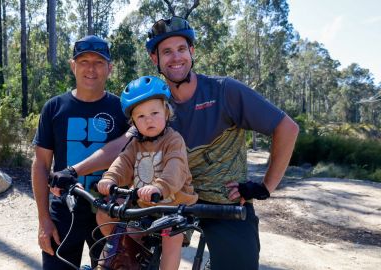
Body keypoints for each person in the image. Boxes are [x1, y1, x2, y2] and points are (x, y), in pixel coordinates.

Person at [67, 16, 299, 269]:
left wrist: (265, 187)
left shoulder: (225, 91)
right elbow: (122, 146)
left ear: (192, 51)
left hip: (223, 202)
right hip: (168, 201)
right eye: (166, 52)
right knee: (116, 236)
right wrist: (73, 171)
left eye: (181, 49)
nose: (175, 58)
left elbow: (286, 128)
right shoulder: (154, 103)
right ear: (155, 59)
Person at [31, 35, 130, 270]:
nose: (91, 69)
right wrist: (44, 220)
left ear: (110, 68)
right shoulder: (54, 107)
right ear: (72, 65)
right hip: (64, 212)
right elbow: (41, 165)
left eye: (98, 62)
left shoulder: (123, 110)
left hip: (108, 211)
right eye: (84, 61)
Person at [96, 76, 198, 270]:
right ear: (133, 121)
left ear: (166, 113)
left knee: (170, 239)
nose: (148, 119)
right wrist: (110, 178)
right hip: (145, 208)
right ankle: (124, 261)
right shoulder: (135, 144)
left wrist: (160, 187)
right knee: (117, 226)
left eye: (154, 112)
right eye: (141, 116)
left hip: (175, 208)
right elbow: (123, 162)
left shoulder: (173, 141)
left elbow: (175, 168)